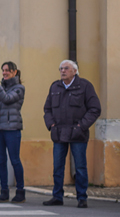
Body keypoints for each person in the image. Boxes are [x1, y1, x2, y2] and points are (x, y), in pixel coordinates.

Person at [42, 59, 101, 208]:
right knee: (57, 167)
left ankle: (82, 197)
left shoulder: (85, 86)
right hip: (59, 133)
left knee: (80, 167)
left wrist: (81, 126)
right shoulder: (55, 86)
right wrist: (51, 125)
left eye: (66, 68)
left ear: (75, 71)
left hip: (77, 134)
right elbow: (47, 109)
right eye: (61, 68)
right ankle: (57, 197)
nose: (62, 71)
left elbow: (95, 109)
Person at [0, 61, 26, 203]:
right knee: (1, 160)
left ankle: (20, 192)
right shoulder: (1, 87)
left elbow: (7, 99)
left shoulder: (19, 88)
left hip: (12, 129)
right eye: (3, 70)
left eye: (7, 70)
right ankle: (4, 191)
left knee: (14, 160)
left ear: (14, 72)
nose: (4, 73)